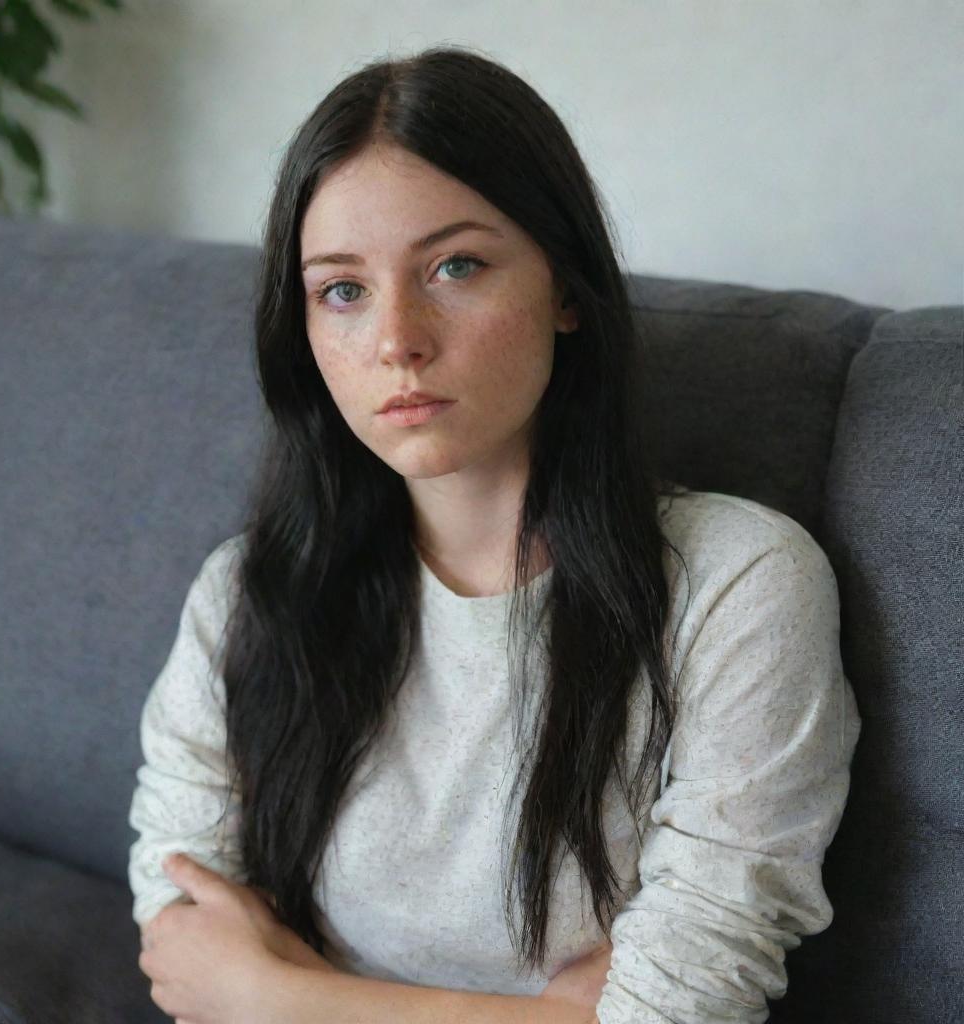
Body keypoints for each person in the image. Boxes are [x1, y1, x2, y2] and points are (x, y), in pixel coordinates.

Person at [128, 44, 862, 1024]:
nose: (396, 339)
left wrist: (272, 994)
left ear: (563, 287)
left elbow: (682, 1009)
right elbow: (179, 926)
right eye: (341, 290)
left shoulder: (737, 582)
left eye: (455, 266)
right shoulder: (251, 588)